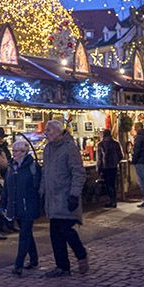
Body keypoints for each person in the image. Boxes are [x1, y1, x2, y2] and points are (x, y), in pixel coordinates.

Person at [39, 119, 88, 277]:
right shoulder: (48, 149)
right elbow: (45, 171)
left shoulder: (69, 148)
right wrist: (42, 191)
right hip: (52, 198)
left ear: (59, 132)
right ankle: (62, 266)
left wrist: (74, 194)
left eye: (49, 130)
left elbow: (78, 172)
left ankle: (81, 255)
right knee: (55, 234)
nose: (46, 133)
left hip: (65, 196)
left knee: (67, 230)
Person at [1, 138, 41, 276]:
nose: (15, 153)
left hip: (28, 205)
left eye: (19, 151)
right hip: (15, 205)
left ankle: (18, 264)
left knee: (24, 234)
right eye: (14, 151)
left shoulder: (33, 167)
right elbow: (7, 187)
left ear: (25, 152)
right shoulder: (11, 167)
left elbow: (38, 188)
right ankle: (34, 258)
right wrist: (4, 202)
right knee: (26, 233)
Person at [96, 129, 123, 208]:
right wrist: (116, 161)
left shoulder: (101, 144)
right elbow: (121, 155)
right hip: (114, 166)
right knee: (113, 184)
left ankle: (111, 201)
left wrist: (98, 168)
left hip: (105, 167)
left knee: (108, 185)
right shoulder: (116, 143)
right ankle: (114, 201)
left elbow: (99, 158)